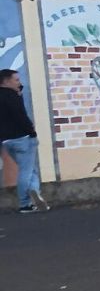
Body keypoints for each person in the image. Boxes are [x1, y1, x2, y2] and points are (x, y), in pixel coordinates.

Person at [0, 69, 45, 213]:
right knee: (26, 171)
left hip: (7, 141)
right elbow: (21, 116)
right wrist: (32, 133)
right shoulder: (12, 97)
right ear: (6, 81)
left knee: (30, 169)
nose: (19, 83)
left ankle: (34, 191)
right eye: (16, 80)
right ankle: (25, 203)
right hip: (23, 138)